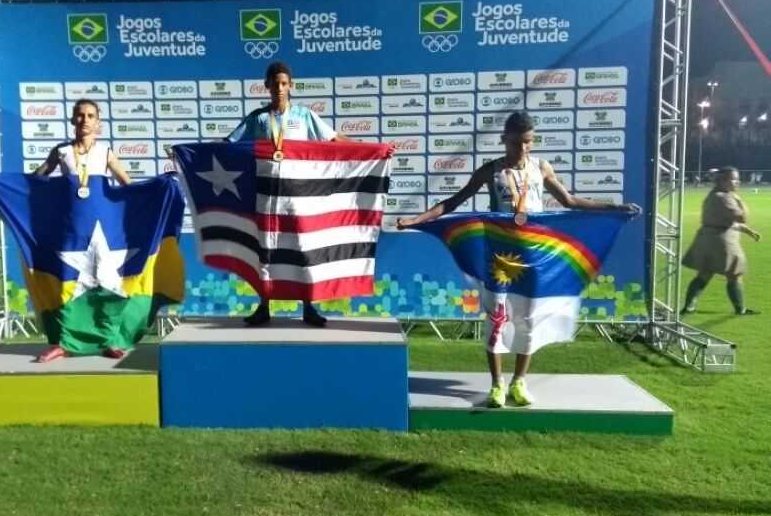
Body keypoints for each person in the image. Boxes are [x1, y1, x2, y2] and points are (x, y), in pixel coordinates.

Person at [397, 111, 640, 408]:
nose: (523, 149)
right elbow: (453, 202)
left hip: (535, 257)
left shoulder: (542, 168)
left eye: (528, 142)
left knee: (529, 319)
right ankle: (497, 385)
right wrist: (415, 219)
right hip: (499, 259)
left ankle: (518, 382)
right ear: (504, 140)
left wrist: (614, 208)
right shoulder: (491, 171)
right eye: (516, 143)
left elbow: (571, 201)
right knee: (497, 318)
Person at [226, 61, 352, 328]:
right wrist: (188, 150)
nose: (280, 88)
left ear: (291, 86)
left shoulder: (305, 116)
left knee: (302, 251)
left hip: (299, 199)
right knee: (266, 252)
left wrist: (373, 147)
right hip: (267, 198)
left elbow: (334, 140)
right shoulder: (258, 118)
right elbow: (228, 144)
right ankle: (264, 307)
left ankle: (309, 307)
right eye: (275, 83)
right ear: (267, 86)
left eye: (284, 83)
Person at [31, 98, 132, 362]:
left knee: (106, 287)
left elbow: (129, 186)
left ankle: (107, 340)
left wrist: (159, 188)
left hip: (102, 233)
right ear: (73, 120)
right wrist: (0, 184)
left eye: (90, 116)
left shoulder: (106, 152)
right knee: (67, 287)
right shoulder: (61, 151)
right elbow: (34, 181)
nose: (85, 120)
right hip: (70, 231)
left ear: (98, 123)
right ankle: (63, 343)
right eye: (80, 115)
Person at [681, 166, 761, 316]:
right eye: (734, 179)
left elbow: (725, 220)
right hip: (723, 240)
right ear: (722, 180)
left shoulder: (714, 195)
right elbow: (742, 217)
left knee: (705, 273)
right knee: (735, 274)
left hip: (707, 237)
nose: (737, 182)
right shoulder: (724, 197)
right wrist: (739, 200)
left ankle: (689, 307)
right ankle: (740, 309)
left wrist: (748, 231)